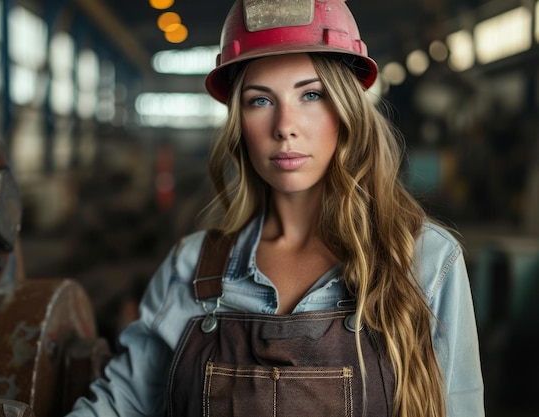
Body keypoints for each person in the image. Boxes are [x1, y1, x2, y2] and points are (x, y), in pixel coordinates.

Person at [66, 0, 484, 416]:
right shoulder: (193, 267)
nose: (285, 125)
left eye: (311, 95)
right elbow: (121, 404)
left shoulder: (423, 259)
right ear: (239, 122)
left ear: (347, 110)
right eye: (260, 101)